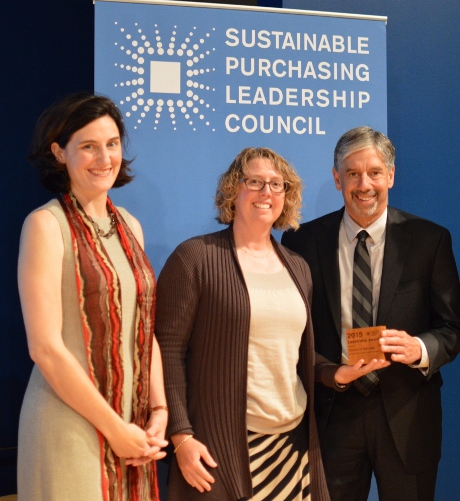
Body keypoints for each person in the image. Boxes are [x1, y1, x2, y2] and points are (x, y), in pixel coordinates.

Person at [155, 147, 378, 501]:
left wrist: (335, 373)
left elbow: (294, 355)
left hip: (293, 447)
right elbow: (167, 352)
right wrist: (180, 435)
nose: (266, 192)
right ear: (233, 189)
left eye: (277, 184)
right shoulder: (194, 258)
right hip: (223, 449)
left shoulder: (296, 266)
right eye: (255, 182)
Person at [282, 127, 460, 501]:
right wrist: (327, 372)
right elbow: (294, 334)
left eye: (374, 172)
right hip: (332, 414)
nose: (364, 184)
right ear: (337, 178)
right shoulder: (302, 241)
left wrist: (420, 349)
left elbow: (454, 328)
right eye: (352, 173)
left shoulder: (429, 239)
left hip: (407, 415)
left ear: (391, 175)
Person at [17, 93, 168, 500]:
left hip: (133, 429)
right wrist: (116, 430)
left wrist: (159, 411)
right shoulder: (45, 225)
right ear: (59, 153)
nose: (104, 158)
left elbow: (143, 329)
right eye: (88, 146)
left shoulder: (130, 225)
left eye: (112, 144)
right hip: (69, 426)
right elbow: (45, 349)